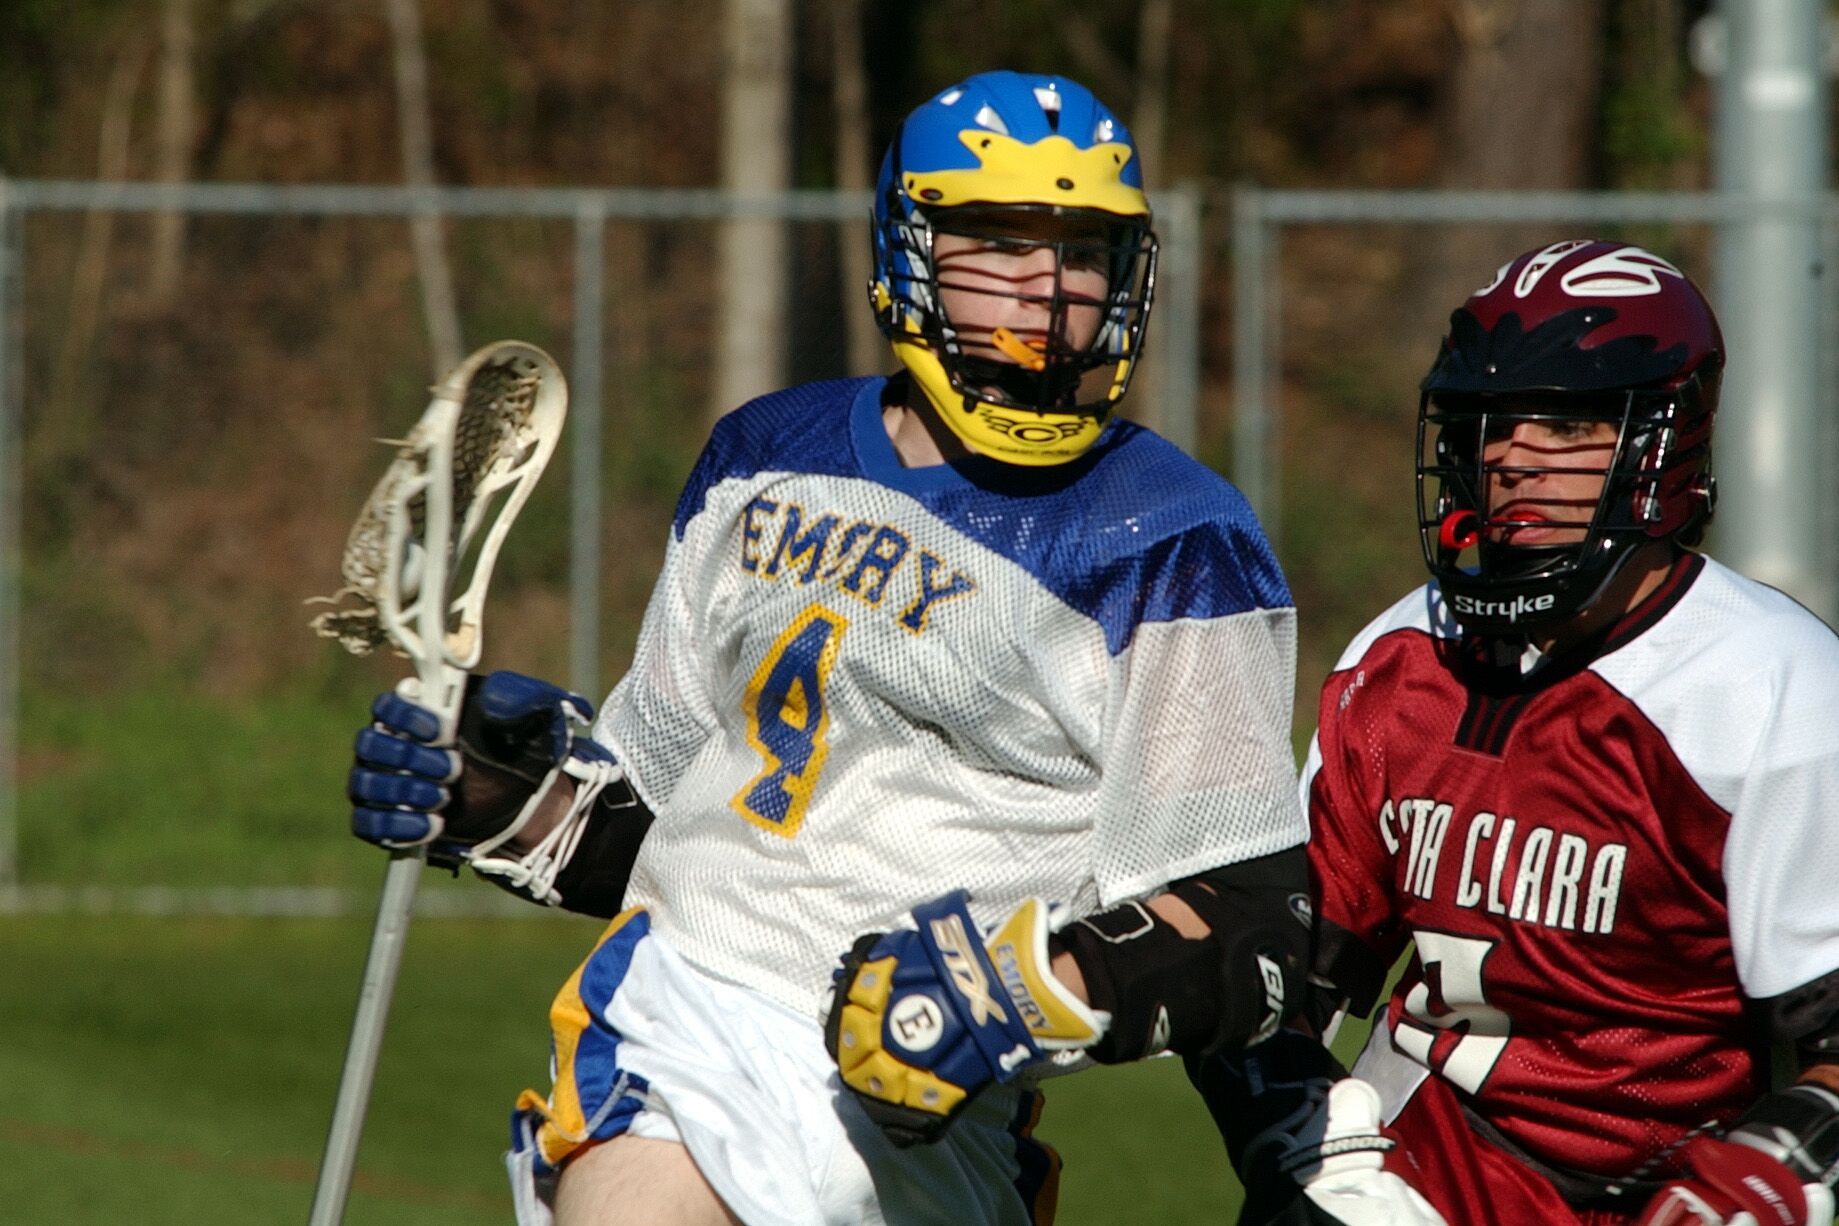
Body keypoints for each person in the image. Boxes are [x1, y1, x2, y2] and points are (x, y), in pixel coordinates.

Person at [347, 70, 1314, 1225]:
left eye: (1085, 252)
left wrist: (1018, 990)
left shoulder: (1170, 535)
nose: (1049, 286)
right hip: (689, 1014)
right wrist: (508, 798)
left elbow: (1249, 925)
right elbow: (664, 817)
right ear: (913, 249)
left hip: (931, 1116)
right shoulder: (765, 451)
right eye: (1001, 242)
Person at [1189, 239, 1839, 1226]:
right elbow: (1265, 984)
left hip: (1675, 1184)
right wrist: (1314, 1156)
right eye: (1487, 424)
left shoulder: (1774, 687)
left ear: (1662, 446)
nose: (1508, 456)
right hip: (1417, 1175)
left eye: (1566, 422)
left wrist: (1769, 1174)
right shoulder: (1400, 661)